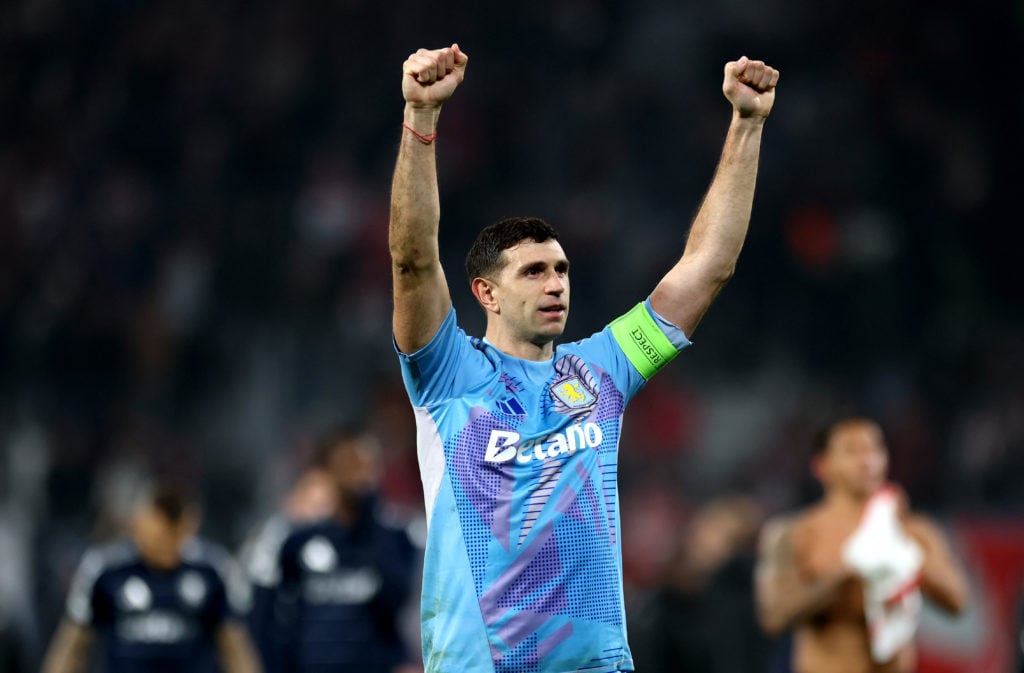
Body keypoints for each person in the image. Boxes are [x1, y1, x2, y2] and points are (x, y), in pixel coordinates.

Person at [389, 43, 779, 673]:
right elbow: (411, 261)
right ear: (485, 292)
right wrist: (421, 120)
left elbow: (708, 268)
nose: (556, 284)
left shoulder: (601, 369)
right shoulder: (447, 376)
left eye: (563, 270)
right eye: (535, 271)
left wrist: (748, 125)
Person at [754, 417, 969, 673]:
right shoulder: (797, 533)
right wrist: (847, 569)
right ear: (822, 465)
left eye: (874, 448)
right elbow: (774, 616)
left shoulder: (914, 531)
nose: (866, 459)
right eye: (851, 450)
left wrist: (909, 557)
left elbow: (958, 602)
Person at [40, 483, 261, 673]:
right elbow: (73, 646)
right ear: (137, 524)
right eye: (159, 533)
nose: (166, 539)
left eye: (174, 531)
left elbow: (235, 650)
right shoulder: (106, 570)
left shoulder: (212, 571)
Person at [252, 425, 418, 673]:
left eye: (365, 466)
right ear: (328, 473)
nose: (357, 477)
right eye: (348, 466)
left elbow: (395, 600)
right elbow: (273, 620)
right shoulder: (298, 541)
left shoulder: (395, 537)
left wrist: (370, 518)